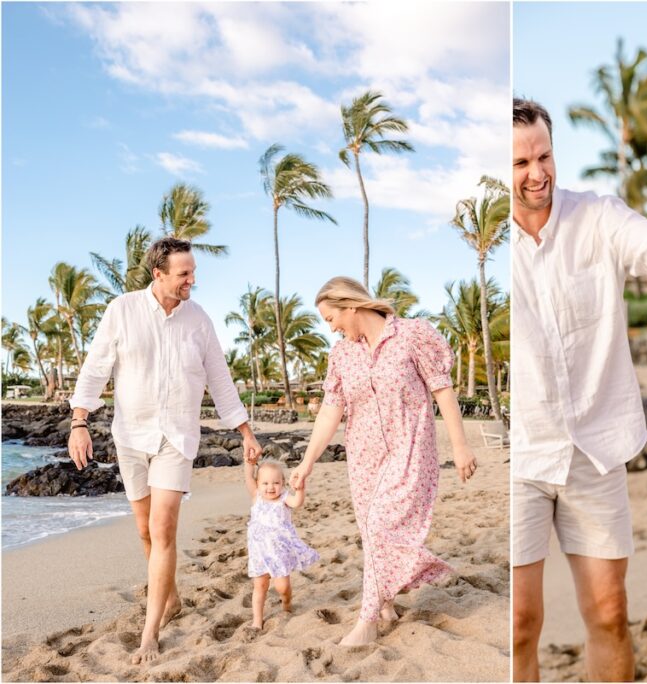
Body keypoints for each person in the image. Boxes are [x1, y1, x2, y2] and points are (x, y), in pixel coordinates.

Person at [510, 97, 647, 682]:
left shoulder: (597, 216)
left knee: (610, 614)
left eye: (545, 156)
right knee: (519, 623)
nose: (538, 174)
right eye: (519, 164)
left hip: (596, 449)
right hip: (521, 456)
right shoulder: (486, 250)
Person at [67, 236, 262, 665]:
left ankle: (149, 632)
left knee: (164, 527)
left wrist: (245, 433)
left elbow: (221, 381)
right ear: (159, 274)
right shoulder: (122, 310)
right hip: (131, 437)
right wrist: (79, 423)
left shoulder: (200, 320)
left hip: (177, 437)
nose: (193, 279)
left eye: (193, 271)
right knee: (144, 531)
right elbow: (95, 368)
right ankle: (169, 598)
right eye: (184, 274)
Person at [289, 276, 478, 647]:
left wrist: (460, 446)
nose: (331, 328)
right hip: (362, 458)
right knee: (371, 534)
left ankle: (368, 619)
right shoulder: (342, 354)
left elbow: (442, 389)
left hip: (410, 449)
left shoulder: (412, 335)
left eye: (331, 318)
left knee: (380, 525)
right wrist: (307, 461)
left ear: (352, 306)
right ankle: (386, 602)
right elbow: (331, 411)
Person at [243, 457, 319, 631]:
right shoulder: (257, 497)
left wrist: (300, 489)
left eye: (276, 482)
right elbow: (248, 477)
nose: (271, 487)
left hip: (279, 554)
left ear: (283, 483)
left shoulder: (284, 498)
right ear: (258, 484)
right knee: (260, 586)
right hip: (259, 553)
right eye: (265, 483)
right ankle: (257, 620)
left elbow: (297, 502)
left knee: (282, 587)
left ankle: (286, 602)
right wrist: (248, 462)